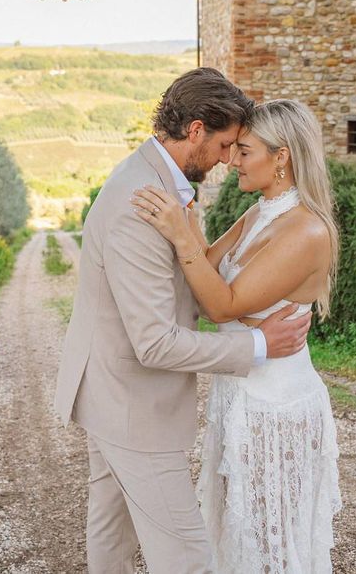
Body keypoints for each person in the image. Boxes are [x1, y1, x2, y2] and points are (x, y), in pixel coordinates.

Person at [54, 68, 313, 574]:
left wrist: (189, 239)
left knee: (110, 537)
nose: (225, 161)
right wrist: (258, 345)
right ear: (195, 130)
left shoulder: (159, 187)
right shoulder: (142, 203)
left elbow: (185, 286)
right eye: (223, 146)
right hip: (134, 407)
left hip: (110, 394)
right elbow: (155, 343)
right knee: (187, 557)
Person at [131, 98, 342, 573]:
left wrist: (184, 238)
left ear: (281, 156)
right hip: (239, 391)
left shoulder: (307, 229)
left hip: (277, 405)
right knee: (238, 531)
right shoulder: (260, 212)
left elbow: (218, 303)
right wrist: (186, 221)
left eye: (244, 151)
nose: (232, 161)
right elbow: (205, 273)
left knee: (270, 541)